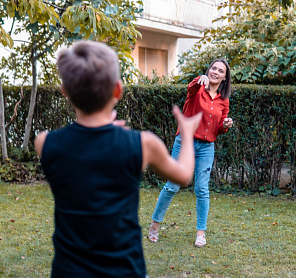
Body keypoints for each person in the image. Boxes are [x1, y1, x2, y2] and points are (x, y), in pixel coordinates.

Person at [34, 40, 202, 277]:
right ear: (117, 90)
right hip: (124, 270)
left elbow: (87, 149)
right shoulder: (142, 144)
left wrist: (104, 131)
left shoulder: (45, 143)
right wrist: (185, 132)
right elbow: (183, 175)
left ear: (65, 92)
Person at [148, 59, 234, 248]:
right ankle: (154, 225)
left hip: (206, 147)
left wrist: (225, 125)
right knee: (172, 186)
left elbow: (218, 128)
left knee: (202, 189)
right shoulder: (197, 89)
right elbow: (190, 88)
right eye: (213, 68)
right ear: (208, 70)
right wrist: (199, 80)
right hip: (185, 142)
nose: (216, 72)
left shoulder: (223, 100)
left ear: (225, 77)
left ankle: (201, 233)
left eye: (221, 71)